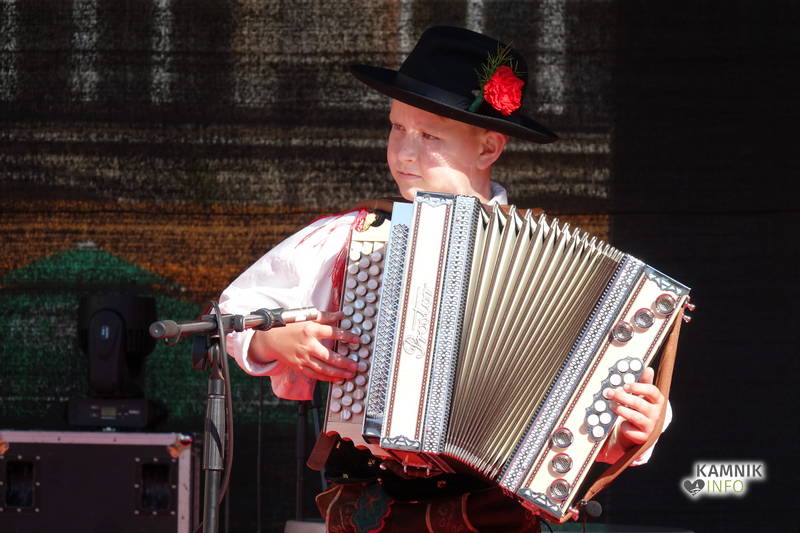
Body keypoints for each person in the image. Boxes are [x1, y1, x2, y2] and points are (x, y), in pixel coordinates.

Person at [220, 26, 669, 533]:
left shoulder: (571, 270)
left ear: (489, 147)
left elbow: (606, 414)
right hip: (370, 507)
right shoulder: (355, 238)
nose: (404, 152)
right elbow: (231, 319)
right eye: (397, 128)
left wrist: (640, 426)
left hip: (495, 515)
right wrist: (275, 340)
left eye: (429, 136)